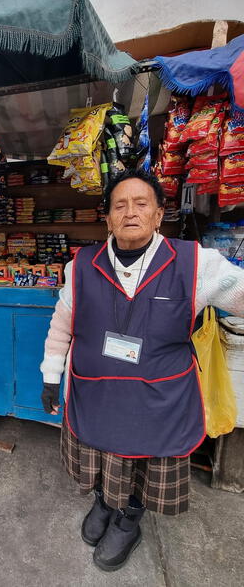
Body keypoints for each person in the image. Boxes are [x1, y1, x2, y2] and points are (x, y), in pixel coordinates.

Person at [40, 168, 244, 572]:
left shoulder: (197, 265)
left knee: (144, 465)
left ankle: (129, 519)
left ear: (158, 215)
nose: (129, 212)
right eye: (119, 205)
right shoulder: (80, 266)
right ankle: (103, 502)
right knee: (101, 457)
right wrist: (50, 375)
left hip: (158, 402)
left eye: (141, 203)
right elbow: (62, 323)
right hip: (96, 395)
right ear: (108, 218)